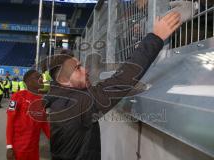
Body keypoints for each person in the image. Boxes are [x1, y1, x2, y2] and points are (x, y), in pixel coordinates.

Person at [43, 12, 181, 160]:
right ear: (64, 80)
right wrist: (156, 37)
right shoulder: (76, 105)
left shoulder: (63, 99)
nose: (86, 70)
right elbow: (120, 81)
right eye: (78, 68)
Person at [6, 70, 50, 160]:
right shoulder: (16, 97)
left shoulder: (41, 100)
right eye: (38, 77)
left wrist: (54, 139)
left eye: (41, 77)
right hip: (19, 150)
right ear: (29, 82)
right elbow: (10, 122)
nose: (41, 79)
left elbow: (44, 124)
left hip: (34, 149)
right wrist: (9, 146)